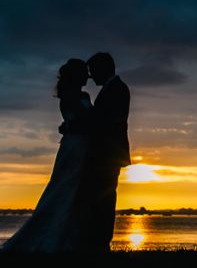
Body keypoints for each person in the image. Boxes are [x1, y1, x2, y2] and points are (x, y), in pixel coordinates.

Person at [0, 59, 93, 253]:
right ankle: (53, 240)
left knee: (73, 192)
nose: (88, 76)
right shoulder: (71, 95)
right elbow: (86, 120)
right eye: (84, 72)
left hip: (80, 145)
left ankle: (69, 240)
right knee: (63, 190)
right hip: (74, 146)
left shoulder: (78, 94)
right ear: (76, 75)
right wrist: (70, 127)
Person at [76, 52, 131, 252]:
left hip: (108, 154)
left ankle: (100, 242)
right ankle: (96, 241)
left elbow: (108, 121)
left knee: (104, 199)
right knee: (99, 198)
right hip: (106, 154)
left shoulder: (117, 89)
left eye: (93, 72)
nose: (91, 77)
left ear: (103, 69)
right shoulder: (114, 88)